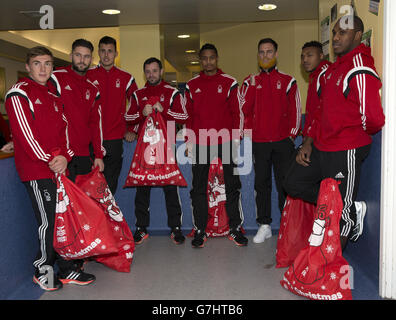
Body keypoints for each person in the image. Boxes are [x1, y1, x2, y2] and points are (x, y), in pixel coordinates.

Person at [283, 16, 385, 250]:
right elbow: (319, 115)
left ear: (357, 36)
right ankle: (346, 207)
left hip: (345, 147)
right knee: (293, 182)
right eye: (335, 32)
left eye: (343, 33)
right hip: (322, 146)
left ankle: (330, 265)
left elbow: (374, 118)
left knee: (341, 213)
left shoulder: (359, 64)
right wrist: (307, 143)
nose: (336, 37)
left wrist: (351, 134)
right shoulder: (331, 70)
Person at [5, 46, 95, 291]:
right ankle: (42, 270)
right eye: (37, 63)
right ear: (28, 66)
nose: (43, 68)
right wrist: (51, 159)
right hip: (37, 171)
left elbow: (66, 132)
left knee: (63, 220)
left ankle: (66, 269)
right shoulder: (18, 93)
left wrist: (65, 157)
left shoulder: (54, 95)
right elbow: (26, 136)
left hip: (59, 170)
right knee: (49, 221)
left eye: (47, 63)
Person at [239, 38, 301, 244]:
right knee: (261, 184)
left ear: (275, 54)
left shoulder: (288, 80)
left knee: (286, 184)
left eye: (269, 52)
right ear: (258, 56)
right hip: (260, 142)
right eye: (262, 52)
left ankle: (287, 225)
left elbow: (296, 111)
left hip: (283, 141)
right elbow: (244, 110)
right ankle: (264, 225)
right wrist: (250, 87)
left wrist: (291, 135)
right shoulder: (249, 82)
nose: (265, 55)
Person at [185, 43, 247, 248]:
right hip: (201, 143)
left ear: (217, 58)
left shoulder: (229, 82)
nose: (208, 61)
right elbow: (190, 117)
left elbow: (237, 113)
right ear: (200, 60)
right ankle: (200, 230)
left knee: (231, 186)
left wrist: (236, 139)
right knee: (199, 189)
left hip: (226, 142)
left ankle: (235, 228)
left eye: (212, 58)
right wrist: (189, 142)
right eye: (204, 58)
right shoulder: (191, 85)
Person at [125, 57, 188, 245]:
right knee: (142, 189)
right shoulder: (138, 94)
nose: (151, 74)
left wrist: (165, 111)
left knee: (171, 188)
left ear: (161, 72)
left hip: (166, 149)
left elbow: (184, 116)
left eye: (154, 70)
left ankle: (176, 228)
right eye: (148, 71)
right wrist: (140, 115)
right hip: (145, 150)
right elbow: (128, 117)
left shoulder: (172, 92)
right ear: (145, 73)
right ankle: (141, 228)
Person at [87, 36, 138, 195]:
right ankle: (94, 219)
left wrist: (132, 129)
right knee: (91, 185)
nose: (106, 55)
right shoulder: (87, 76)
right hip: (91, 139)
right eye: (103, 51)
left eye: (110, 51)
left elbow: (137, 106)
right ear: (98, 53)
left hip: (115, 140)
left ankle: (107, 218)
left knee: (110, 185)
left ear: (116, 53)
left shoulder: (126, 78)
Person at [49, 39, 105, 182]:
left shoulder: (93, 89)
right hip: (61, 155)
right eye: (78, 55)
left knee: (83, 201)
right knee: (64, 202)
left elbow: (95, 124)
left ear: (91, 59)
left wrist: (98, 155)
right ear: (70, 56)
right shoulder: (55, 78)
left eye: (86, 56)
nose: (82, 60)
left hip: (84, 155)